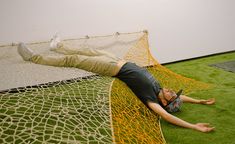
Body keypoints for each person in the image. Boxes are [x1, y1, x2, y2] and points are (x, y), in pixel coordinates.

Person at [17, 34, 215, 133]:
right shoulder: (160, 90)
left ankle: (33, 58)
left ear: (165, 103)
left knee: (74, 59)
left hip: (113, 69)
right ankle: (58, 46)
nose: (173, 91)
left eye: (173, 95)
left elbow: (166, 115)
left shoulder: (151, 100)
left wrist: (193, 127)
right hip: (118, 60)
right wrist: (199, 101)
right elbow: (180, 98)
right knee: (88, 50)